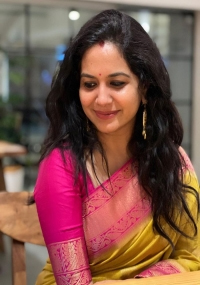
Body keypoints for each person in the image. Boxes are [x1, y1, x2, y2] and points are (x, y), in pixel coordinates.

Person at [34, 9, 200, 285]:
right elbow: (73, 282)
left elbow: (193, 259)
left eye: (117, 83)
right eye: (89, 84)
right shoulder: (61, 167)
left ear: (144, 88)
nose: (101, 99)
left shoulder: (172, 161)